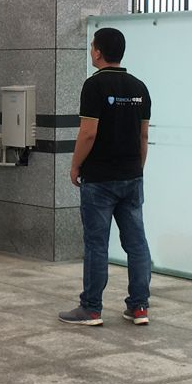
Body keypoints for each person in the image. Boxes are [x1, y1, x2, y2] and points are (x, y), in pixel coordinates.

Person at [59, 27, 153, 328]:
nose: (91, 50)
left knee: (97, 244)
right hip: (131, 176)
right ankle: (139, 307)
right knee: (136, 244)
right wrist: (137, 169)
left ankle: (91, 309)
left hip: (99, 179)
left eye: (92, 46)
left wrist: (75, 166)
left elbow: (88, 133)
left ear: (98, 52)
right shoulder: (139, 87)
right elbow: (143, 136)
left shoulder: (94, 85)